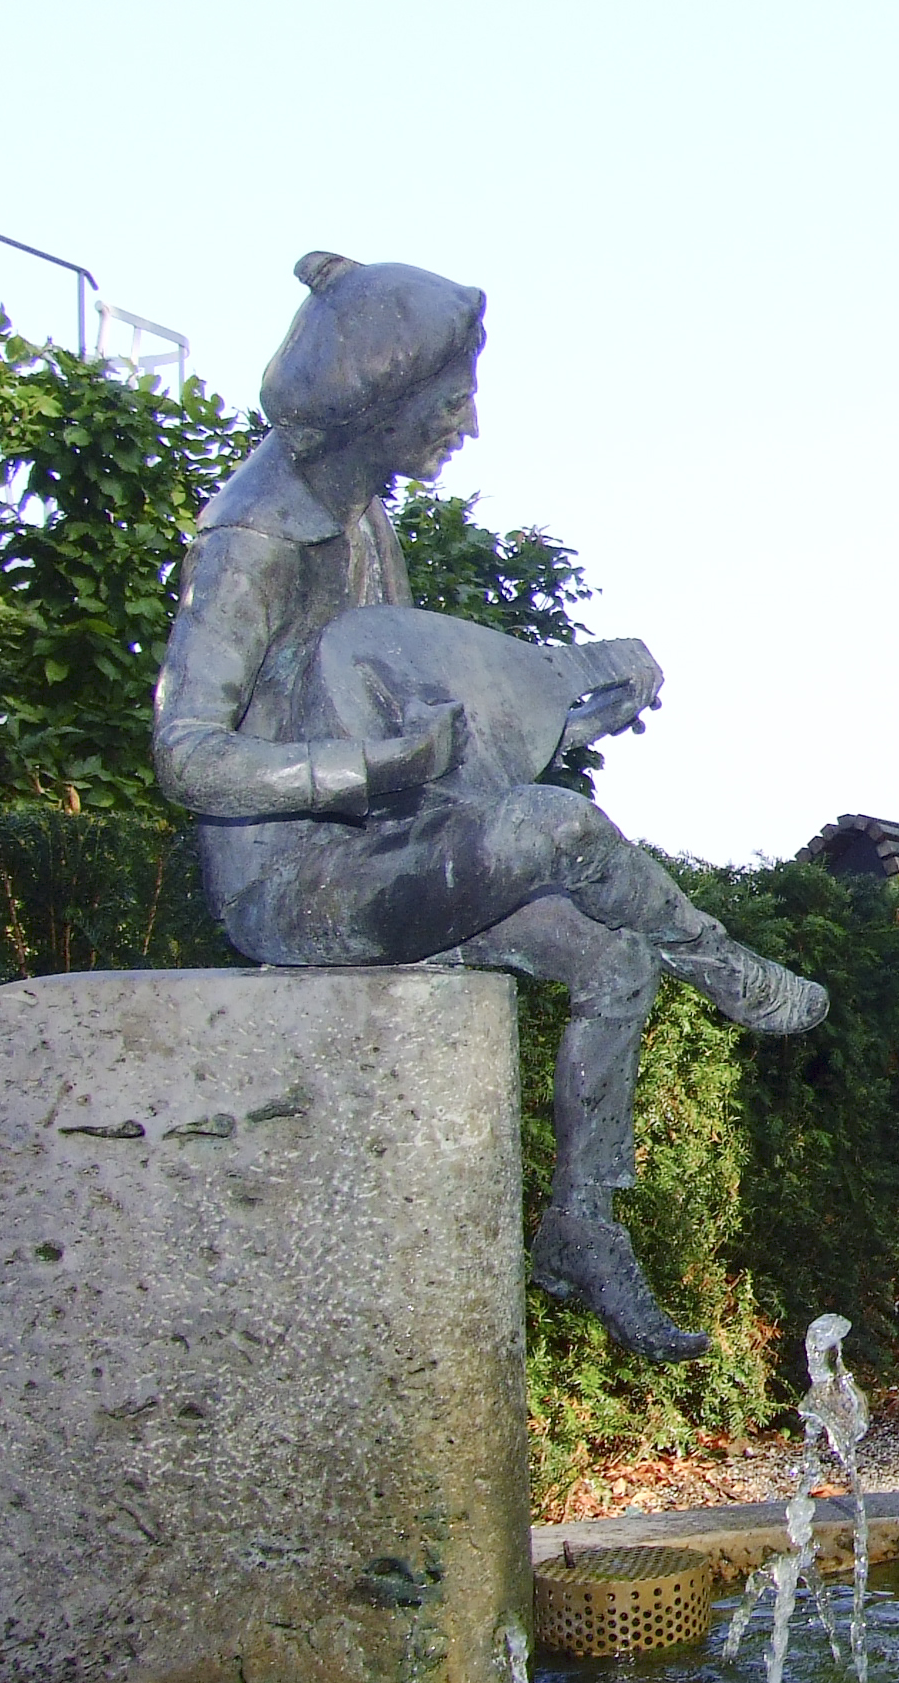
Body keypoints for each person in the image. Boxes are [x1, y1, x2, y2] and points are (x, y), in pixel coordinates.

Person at [153, 251, 823, 1360]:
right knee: (556, 828)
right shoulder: (254, 540)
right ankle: (725, 966)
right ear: (377, 408)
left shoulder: (365, 515)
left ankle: (579, 1226)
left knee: (612, 961)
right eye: (449, 401)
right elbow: (186, 759)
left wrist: (565, 707)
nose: (466, 423)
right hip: (297, 881)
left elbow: (404, 694)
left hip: (383, 844)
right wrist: (361, 774)